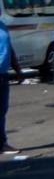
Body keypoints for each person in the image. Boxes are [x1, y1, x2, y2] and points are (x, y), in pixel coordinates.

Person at [0, 20, 20, 154]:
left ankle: (2, 143)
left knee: (1, 110)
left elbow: (8, 47)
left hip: (3, 74)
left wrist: (17, 67)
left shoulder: (2, 25)